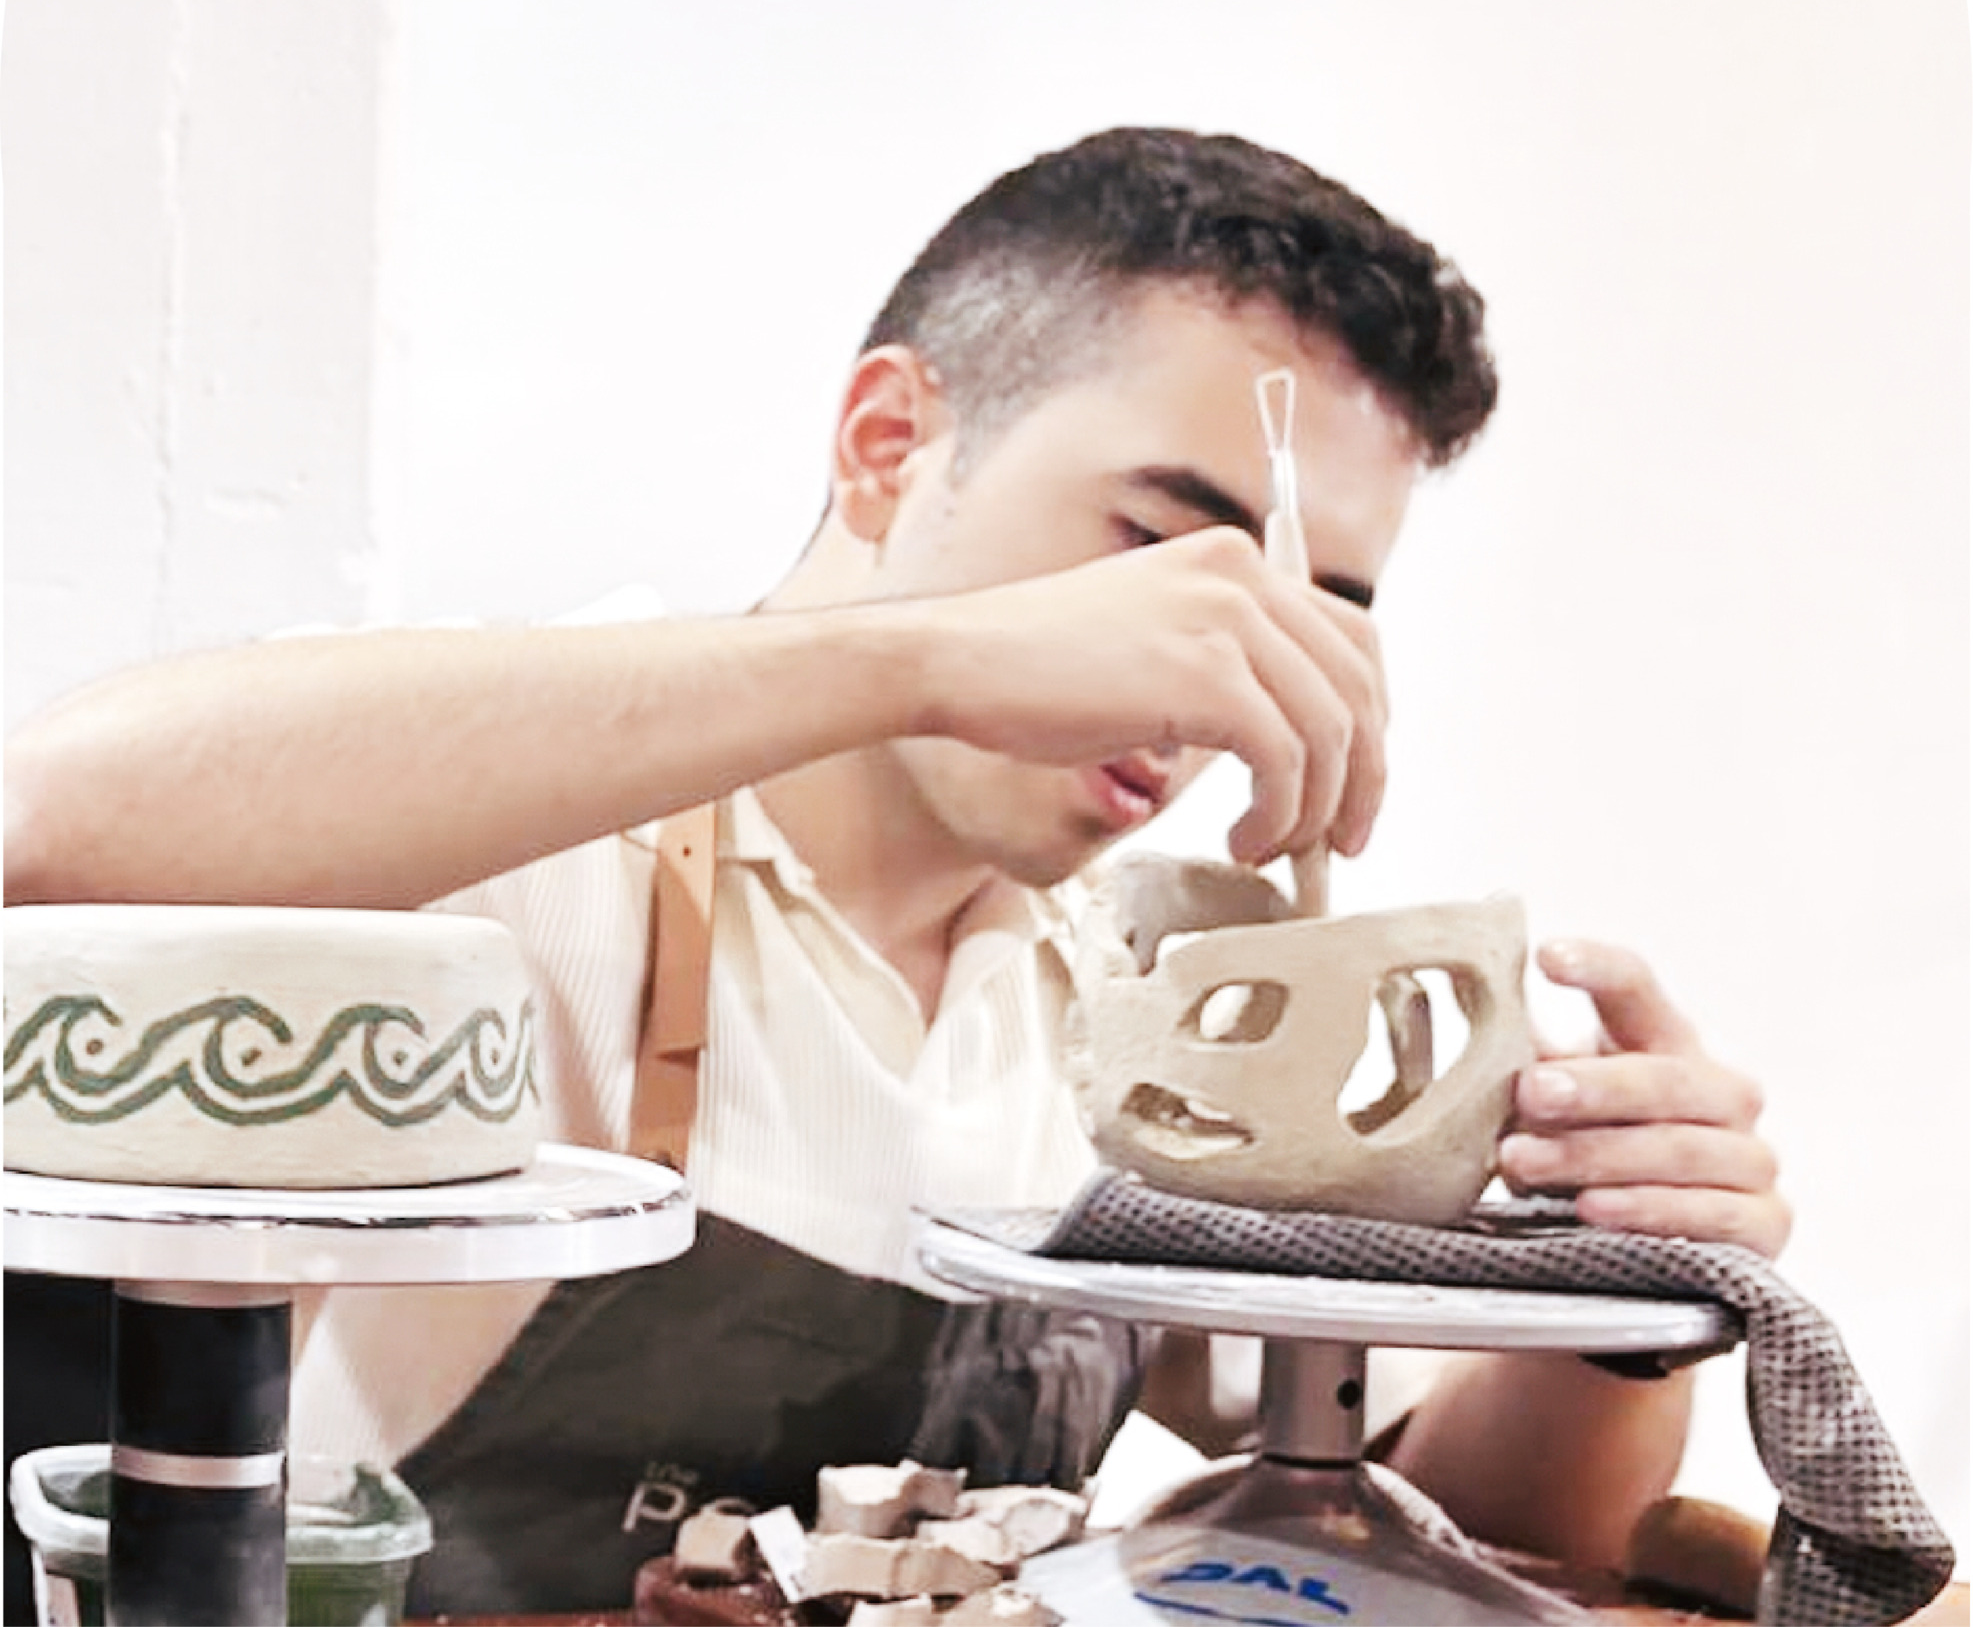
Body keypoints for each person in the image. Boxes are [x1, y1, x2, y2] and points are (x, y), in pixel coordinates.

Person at [5, 127, 1788, 1615]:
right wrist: (925, 661)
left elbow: (1459, 1538)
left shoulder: (1161, 1011)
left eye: (1308, 615)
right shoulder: (517, 831)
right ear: (887, 446)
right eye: (1162, 551)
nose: (1216, 671)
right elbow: (50, 829)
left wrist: (1617, 1308)